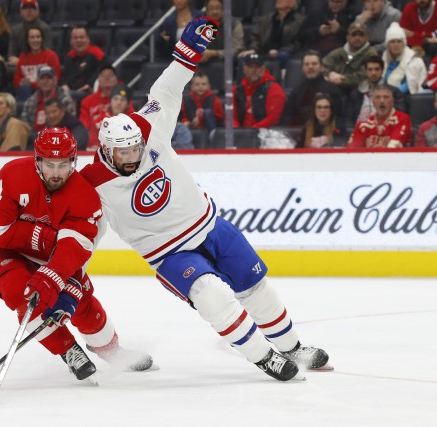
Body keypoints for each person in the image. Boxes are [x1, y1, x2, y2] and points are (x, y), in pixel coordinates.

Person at [80, 17, 330, 382]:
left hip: (209, 224)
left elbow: (164, 93)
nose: (133, 156)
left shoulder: (147, 128)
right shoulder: (92, 185)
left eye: (136, 147)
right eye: (124, 152)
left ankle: (292, 347)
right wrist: (68, 271)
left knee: (255, 284)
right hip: (170, 253)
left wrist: (187, 53)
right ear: (105, 149)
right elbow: (85, 232)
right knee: (212, 295)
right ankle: (263, 357)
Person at [0, 127, 153, 382]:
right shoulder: (13, 174)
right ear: (38, 161)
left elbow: (74, 247)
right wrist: (45, 236)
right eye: (49, 164)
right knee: (23, 295)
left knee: (81, 301)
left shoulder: (84, 195)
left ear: (73, 162)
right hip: (1, 251)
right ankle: (69, 351)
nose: (56, 173)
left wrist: (59, 277)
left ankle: (113, 352)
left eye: (63, 165)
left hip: (51, 257)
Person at [282, 49, 343, 127]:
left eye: (314, 64)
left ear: (322, 67)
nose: (310, 67)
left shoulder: (332, 90)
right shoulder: (297, 90)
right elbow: (288, 115)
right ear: (302, 68)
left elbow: (338, 118)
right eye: (306, 64)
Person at [238, 0, 304, 67]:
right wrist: (253, 49)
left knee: (283, 56)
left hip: (286, 53)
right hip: (264, 52)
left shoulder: (300, 22)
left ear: (292, 3)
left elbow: (298, 43)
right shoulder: (266, 19)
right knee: (244, 58)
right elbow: (255, 37)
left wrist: (279, 52)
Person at [347, 55, 407, 127]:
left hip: (385, 129)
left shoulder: (394, 92)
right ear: (366, 71)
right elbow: (349, 118)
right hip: (360, 130)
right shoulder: (356, 93)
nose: (373, 73)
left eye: (377, 69)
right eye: (370, 69)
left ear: (382, 71)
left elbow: (399, 116)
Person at [347, 83, 412, 148]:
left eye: (386, 97)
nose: (382, 101)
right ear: (373, 101)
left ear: (392, 101)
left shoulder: (402, 119)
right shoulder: (363, 125)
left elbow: (393, 148)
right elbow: (352, 151)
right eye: (378, 97)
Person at [322, 21, 379, 93]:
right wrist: (329, 74)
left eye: (361, 35)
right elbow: (321, 66)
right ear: (347, 37)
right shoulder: (339, 52)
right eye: (354, 35)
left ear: (367, 37)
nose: (357, 38)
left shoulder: (371, 55)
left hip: (359, 92)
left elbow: (365, 75)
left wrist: (342, 80)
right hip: (335, 88)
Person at [232, 54, 286, 128]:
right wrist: (236, 131)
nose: (254, 70)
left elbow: (273, 118)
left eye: (257, 67)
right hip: (240, 134)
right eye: (250, 67)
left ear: (263, 69)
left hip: (265, 134)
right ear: (244, 69)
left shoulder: (274, 89)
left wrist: (252, 131)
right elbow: (231, 117)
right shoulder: (237, 90)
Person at [20, 65, 76, 136]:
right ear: (37, 82)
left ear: (55, 80)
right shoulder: (30, 101)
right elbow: (24, 123)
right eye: (42, 78)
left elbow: (71, 124)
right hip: (34, 139)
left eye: (49, 78)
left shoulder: (65, 100)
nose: (45, 81)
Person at [14, 26, 61, 101]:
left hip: (46, 91)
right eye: (32, 37)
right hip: (26, 92)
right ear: (27, 40)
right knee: (23, 89)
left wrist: (32, 84)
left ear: (42, 39)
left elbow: (55, 79)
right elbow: (17, 81)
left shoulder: (51, 55)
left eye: (38, 37)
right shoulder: (23, 57)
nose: (35, 40)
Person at [60, 26, 106, 101]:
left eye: (82, 37)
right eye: (75, 38)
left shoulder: (97, 54)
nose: (79, 40)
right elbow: (65, 76)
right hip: (70, 92)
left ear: (88, 39)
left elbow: (102, 72)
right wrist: (64, 85)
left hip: (87, 92)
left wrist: (89, 85)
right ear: (71, 41)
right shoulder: (69, 56)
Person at [382, 22, 427, 95]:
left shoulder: (414, 60)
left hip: (407, 98)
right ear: (388, 44)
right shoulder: (384, 58)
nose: (396, 45)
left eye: (399, 41)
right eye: (392, 42)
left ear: (404, 43)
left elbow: (411, 85)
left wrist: (391, 94)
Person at [87, 84, 134, 151]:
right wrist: (96, 146)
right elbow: (93, 142)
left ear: (127, 104)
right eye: (115, 99)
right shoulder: (100, 120)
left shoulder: (133, 120)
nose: (118, 102)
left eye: (122, 100)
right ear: (110, 102)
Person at [8, 0, 53, 67]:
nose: (28, 11)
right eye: (25, 8)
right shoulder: (16, 30)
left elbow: (46, 55)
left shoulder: (45, 29)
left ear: (37, 11)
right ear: (21, 11)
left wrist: (21, 61)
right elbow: (11, 57)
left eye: (32, 8)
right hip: (19, 68)